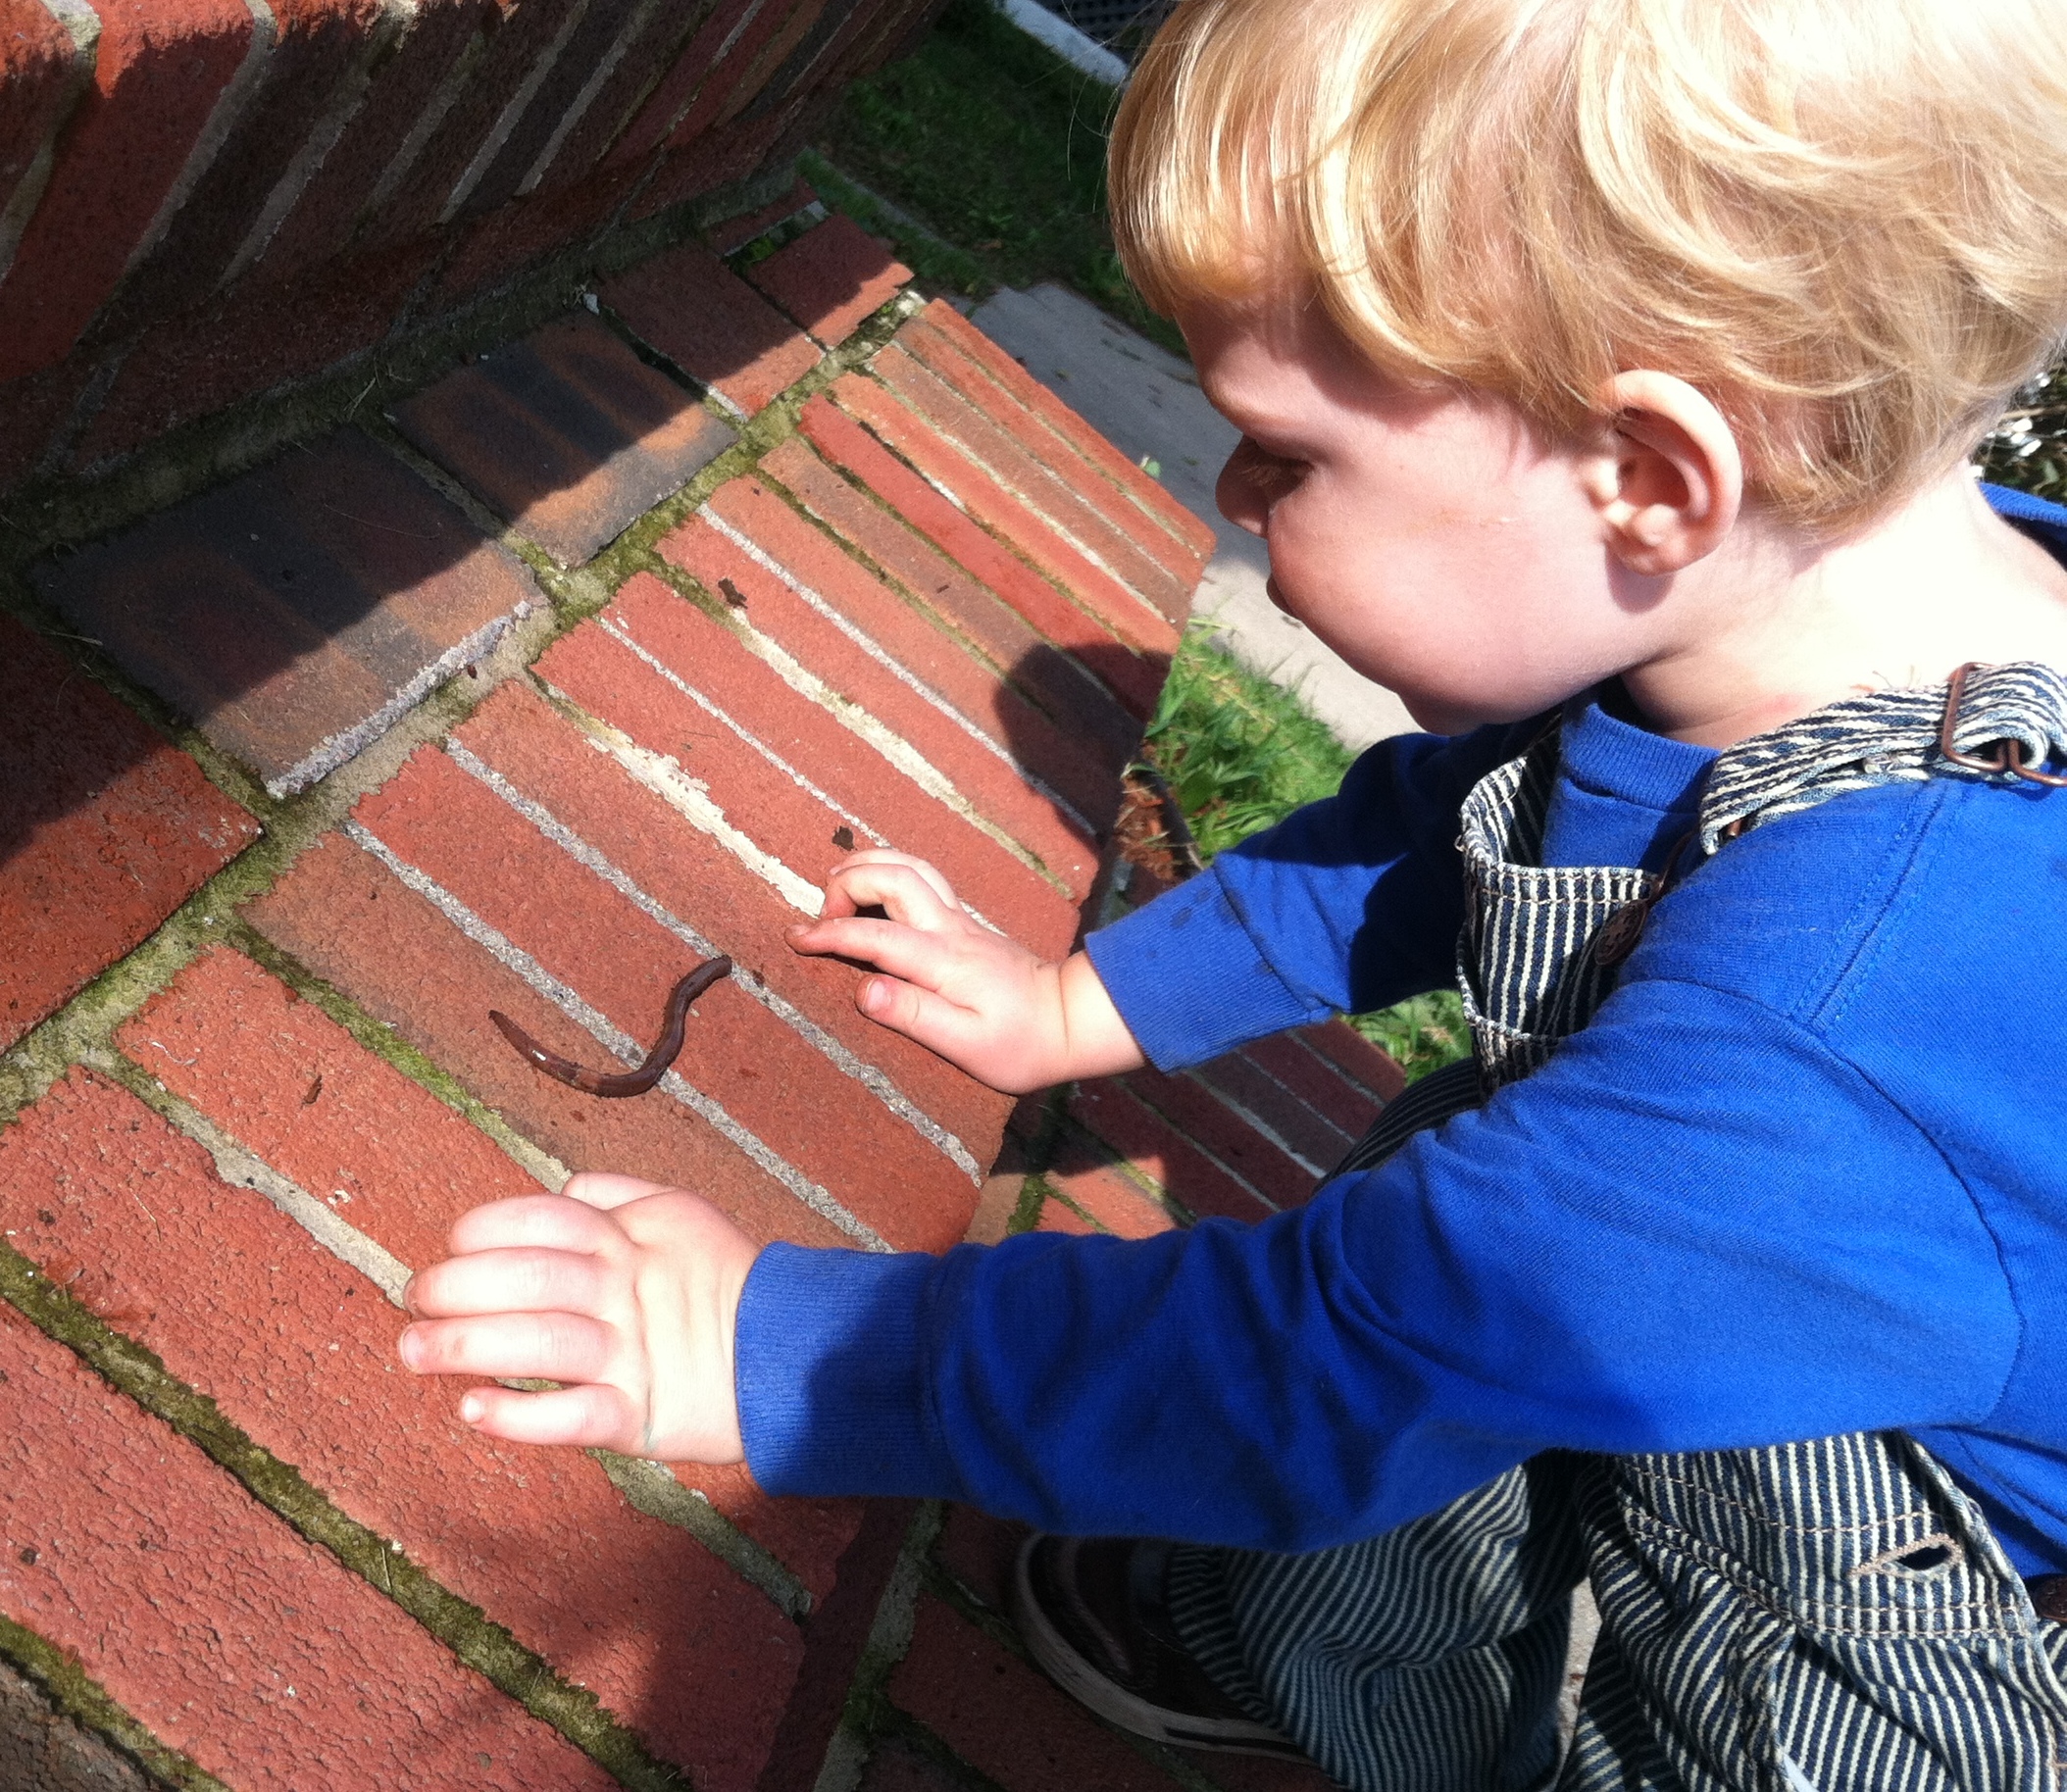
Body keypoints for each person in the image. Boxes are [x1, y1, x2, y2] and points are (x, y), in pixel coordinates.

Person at [394, 0, 2067, 1784]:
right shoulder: (1773, 632)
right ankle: (1296, 1640)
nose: (1233, 493)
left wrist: (786, 1350)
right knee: (1516, 1264)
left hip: (1913, 1661)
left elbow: (1354, 1348)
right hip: (1698, 1301)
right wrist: (1077, 1008)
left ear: (1648, 478)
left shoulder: (1845, 1005)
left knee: (1496, 1342)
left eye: (1288, 451)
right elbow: (1438, 843)